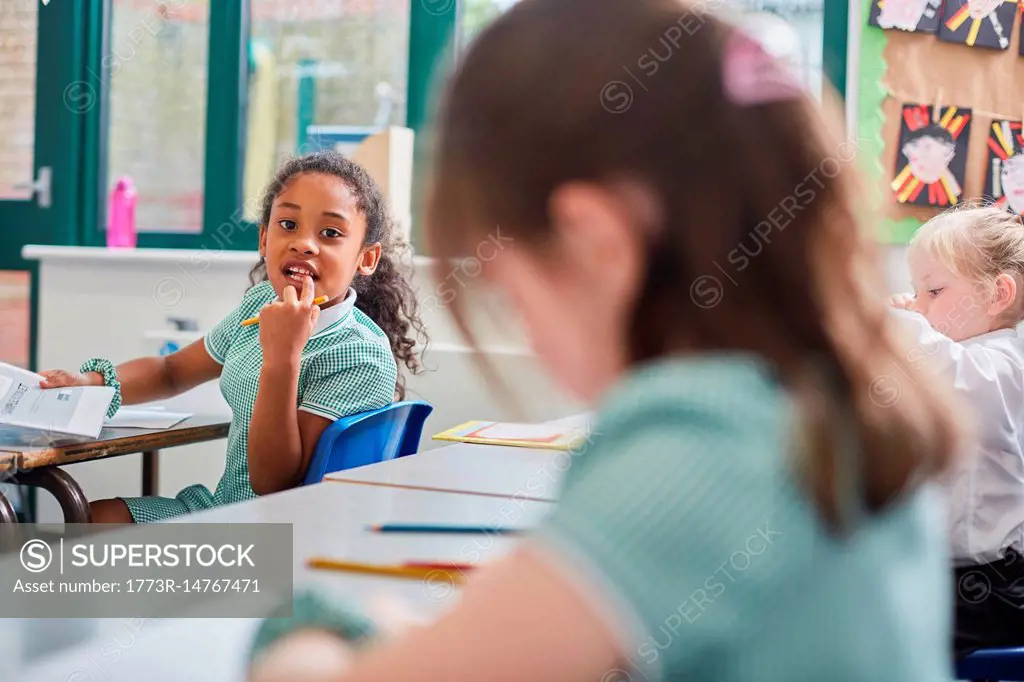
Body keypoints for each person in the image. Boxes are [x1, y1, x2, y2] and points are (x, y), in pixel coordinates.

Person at [246, 1, 968, 680]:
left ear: (595, 242)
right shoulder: (819, 400)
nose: (523, 324)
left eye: (508, 287)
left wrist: (304, 634)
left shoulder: (705, 445)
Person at [40, 152, 425, 523]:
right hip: (224, 506)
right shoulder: (260, 304)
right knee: (89, 519)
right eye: (288, 225)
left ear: (366, 259)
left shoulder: (359, 354)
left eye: (330, 232)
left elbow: (275, 483)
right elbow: (172, 372)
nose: (304, 243)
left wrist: (282, 357)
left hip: (279, 531)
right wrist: (90, 384)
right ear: (263, 239)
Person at [889, 204, 1024, 657]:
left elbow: (954, 373)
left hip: (994, 584)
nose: (920, 306)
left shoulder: (1004, 366)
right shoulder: (948, 361)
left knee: (892, 638)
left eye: (934, 291)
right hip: (943, 568)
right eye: (915, 292)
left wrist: (890, 324)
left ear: (997, 294)